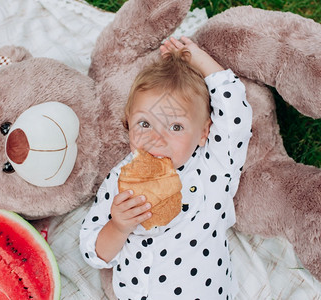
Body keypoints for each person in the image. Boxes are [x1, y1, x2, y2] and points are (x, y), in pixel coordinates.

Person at [80, 36, 252, 299]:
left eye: (176, 127)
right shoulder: (121, 179)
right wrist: (118, 227)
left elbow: (235, 113)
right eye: (145, 124)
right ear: (127, 124)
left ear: (204, 132)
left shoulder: (212, 168)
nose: (156, 139)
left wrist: (198, 60)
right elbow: (93, 252)